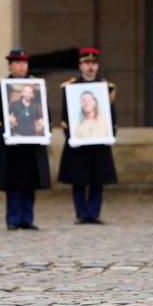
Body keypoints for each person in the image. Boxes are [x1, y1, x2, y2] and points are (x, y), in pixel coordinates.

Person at [0, 48, 51, 230]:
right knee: (13, 182)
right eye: (17, 62)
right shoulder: (1, 87)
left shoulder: (37, 87)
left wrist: (43, 126)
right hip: (12, 144)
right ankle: (13, 219)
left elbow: (45, 113)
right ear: (10, 65)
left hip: (32, 144)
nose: (21, 66)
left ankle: (27, 219)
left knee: (30, 182)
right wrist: (6, 127)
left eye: (24, 62)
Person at [59, 48, 118, 225]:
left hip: (99, 140)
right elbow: (65, 116)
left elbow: (111, 114)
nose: (90, 67)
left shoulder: (107, 88)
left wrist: (111, 133)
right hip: (78, 141)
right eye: (86, 63)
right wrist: (71, 136)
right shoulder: (70, 87)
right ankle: (81, 213)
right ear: (80, 66)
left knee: (97, 179)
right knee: (78, 180)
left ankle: (94, 213)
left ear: (97, 66)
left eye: (93, 63)